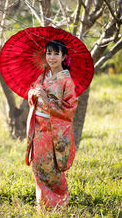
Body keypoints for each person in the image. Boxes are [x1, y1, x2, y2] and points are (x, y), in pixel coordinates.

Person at [25, 40, 78, 212]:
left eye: (56, 53)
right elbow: (31, 91)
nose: (52, 57)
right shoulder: (43, 75)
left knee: (51, 169)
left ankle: (59, 204)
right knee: (37, 166)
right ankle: (44, 206)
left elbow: (70, 109)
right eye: (49, 53)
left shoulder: (66, 81)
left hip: (53, 131)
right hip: (38, 129)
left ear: (63, 56)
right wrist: (34, 93)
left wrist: (48, 101)